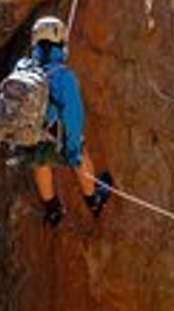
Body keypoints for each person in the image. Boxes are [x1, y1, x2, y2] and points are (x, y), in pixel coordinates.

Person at [17, 16, 111, 228]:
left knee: (38, 161)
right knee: (81, 155)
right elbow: (73, 116)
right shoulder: (63, 76)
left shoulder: (22, 69)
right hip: (54, 137)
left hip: (28, 136)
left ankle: (52, 209)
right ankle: (93, 199)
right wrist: (72, 150)